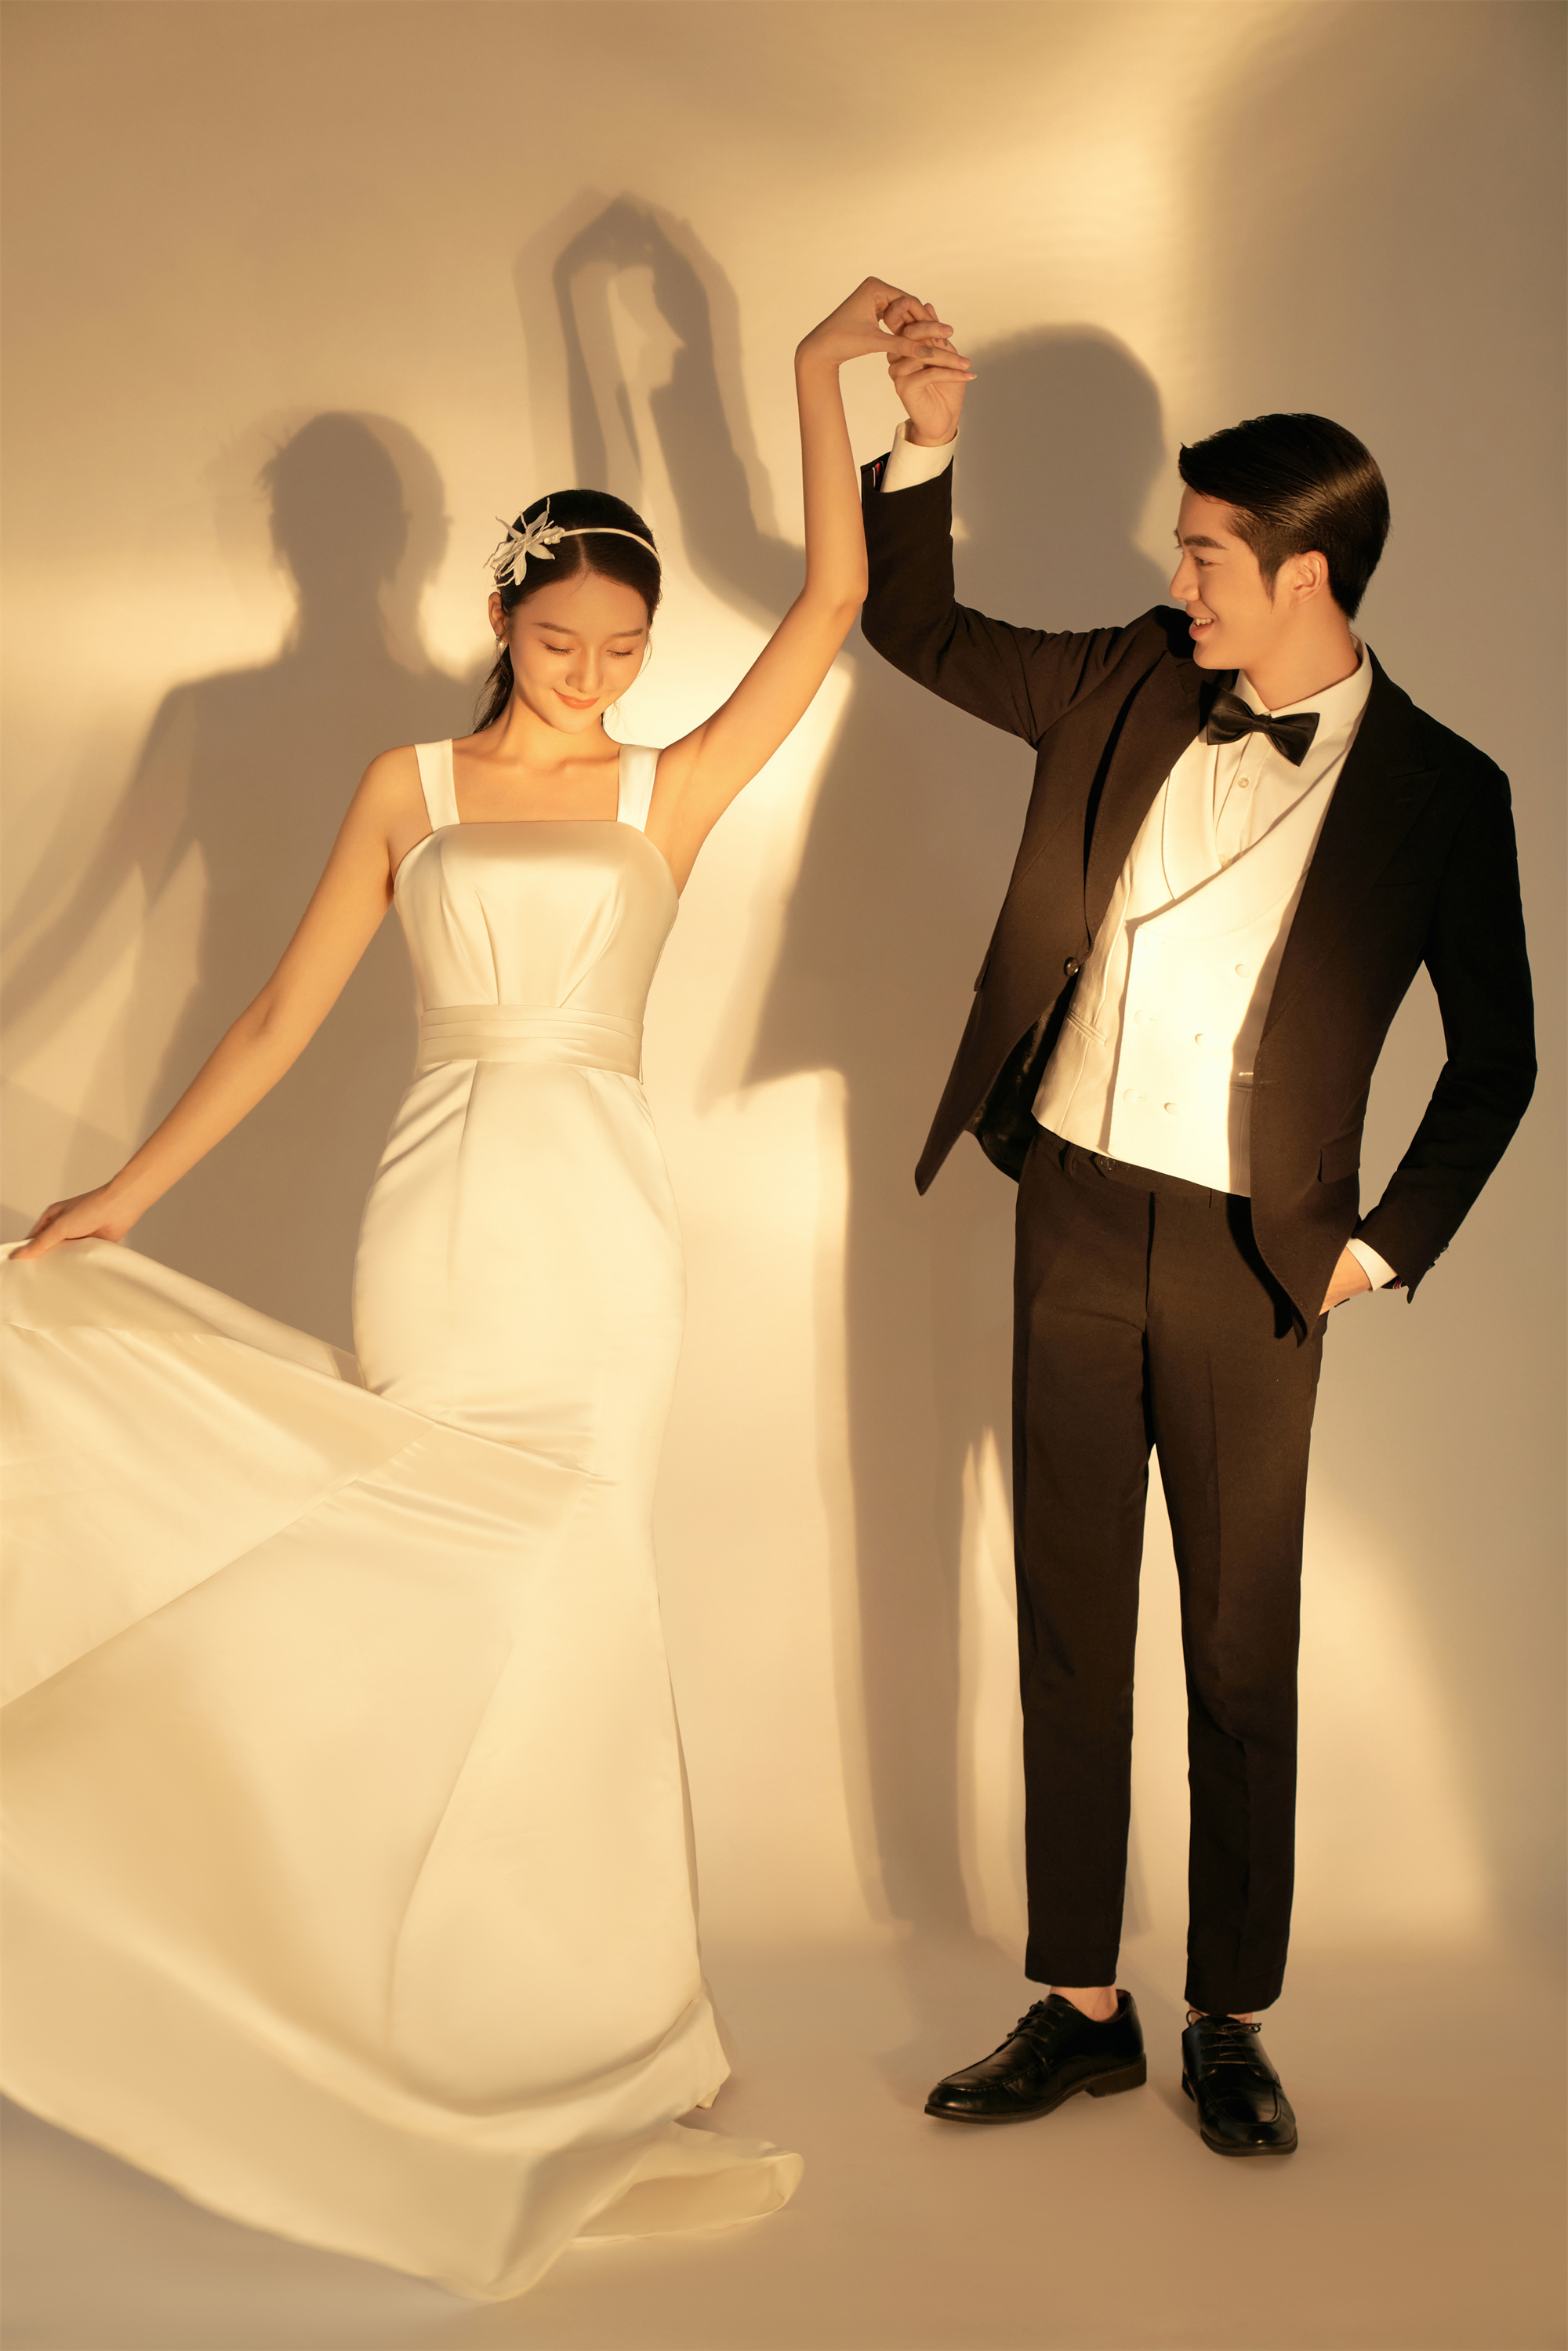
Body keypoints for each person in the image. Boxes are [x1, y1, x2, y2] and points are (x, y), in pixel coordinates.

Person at [0, 281, 971, 2297]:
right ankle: (369, 1982)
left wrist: (820, 382)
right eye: (559, 645)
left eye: (623, 652)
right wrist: (120, 1194)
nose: (593, 680)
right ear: (502, 617)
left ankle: (604, 2027)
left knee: (583, 1601)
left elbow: (829, 600)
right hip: (437, 1219)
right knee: (413, 1568)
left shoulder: (662, 788)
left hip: (600, 1236)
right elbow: (276, 1015)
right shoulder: (408, 787)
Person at [858, 291, 1534, 2156]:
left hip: (1257, 1256)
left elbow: (1499, 1060)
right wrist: (922, 439)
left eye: (1205, 555)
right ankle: (1080, 2002)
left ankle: (1229, 2012)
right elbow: (913, 627)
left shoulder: (1444, 792)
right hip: (1074, 1208)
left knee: (1239, 1644)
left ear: (1306, 573)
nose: (1177, 582)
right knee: (1070, 1620)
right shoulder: (1128, 675)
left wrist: (1375, 1245)